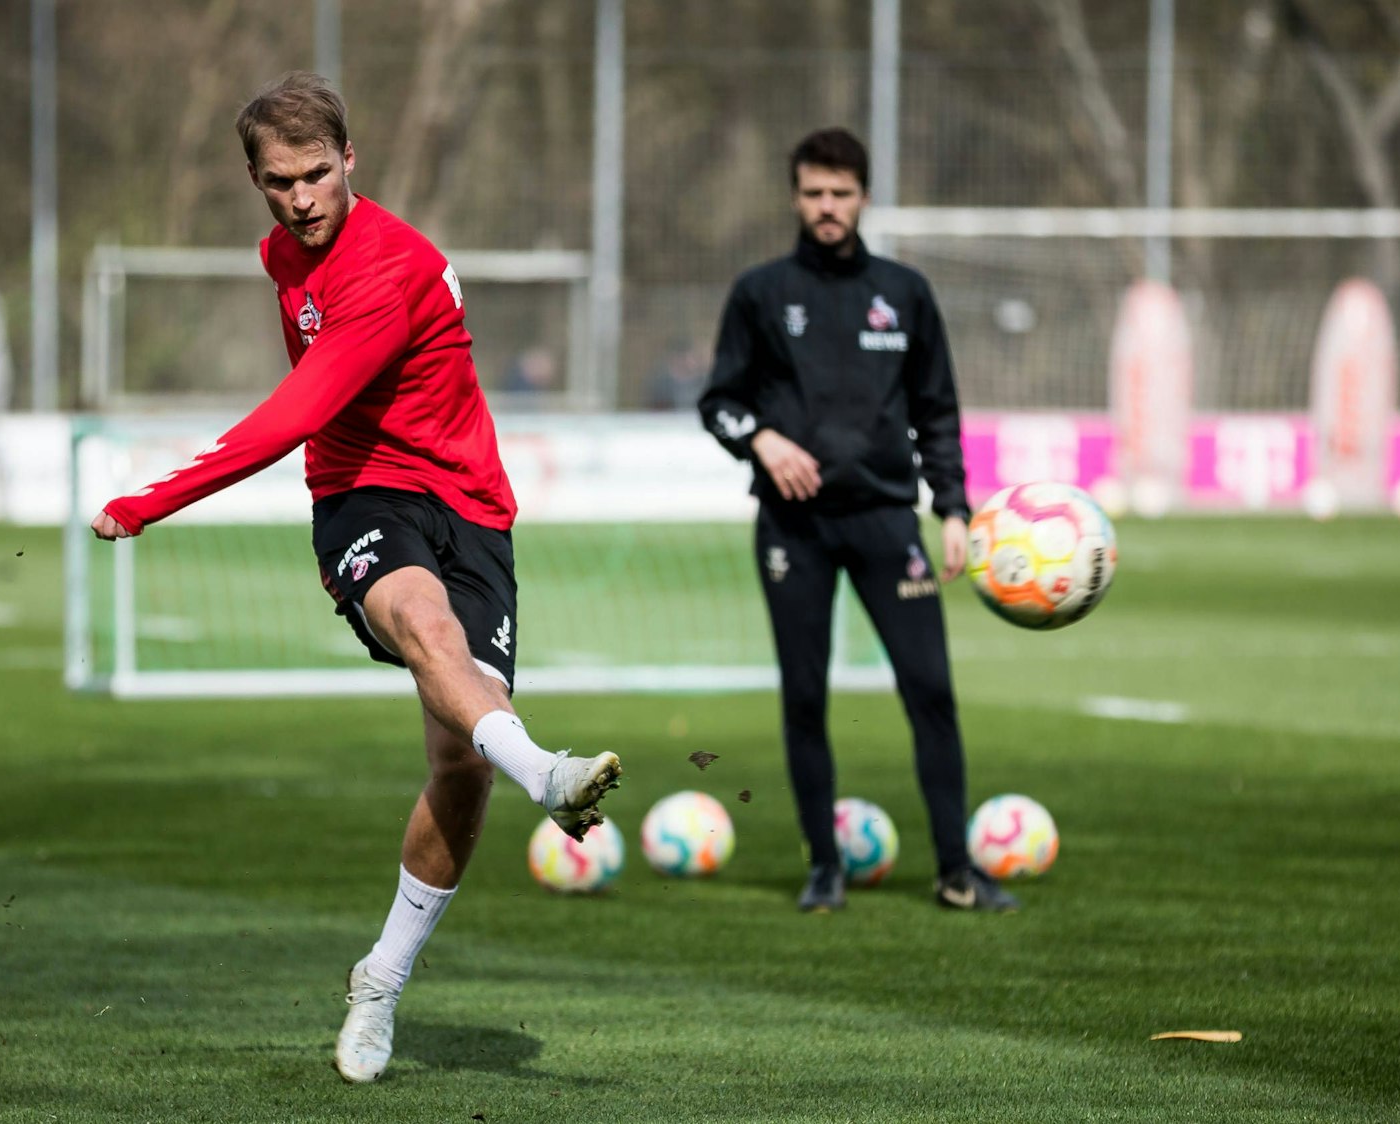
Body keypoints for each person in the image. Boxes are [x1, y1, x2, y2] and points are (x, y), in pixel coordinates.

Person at [88, 72, 622, 1084]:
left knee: (458, 770)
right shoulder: (279, 252)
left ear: (352, 162)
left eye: (316, 175)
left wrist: (150, 499)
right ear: (257, 182)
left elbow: (290, 408)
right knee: (423, 622)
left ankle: (377, 979)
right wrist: (160, 502)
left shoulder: (392, 267)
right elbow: (312, 423)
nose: (299, 200)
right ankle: (546, 772)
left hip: (470, 505)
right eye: (277, 182)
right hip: (361, 495)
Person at [697, 127, 1015, 915]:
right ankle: (823, 870)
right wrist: (763, 440)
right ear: (795, 196)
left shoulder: (903, 293)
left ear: (863, 196)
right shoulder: (760, 293)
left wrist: (950, 508)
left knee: (930, 691)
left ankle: (955, 871)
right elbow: (719, 404)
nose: (827, 207)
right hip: (792, 528)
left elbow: (937, 411)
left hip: (884, 521)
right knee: (804, 697)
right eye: (813, 194)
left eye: (840, 194)